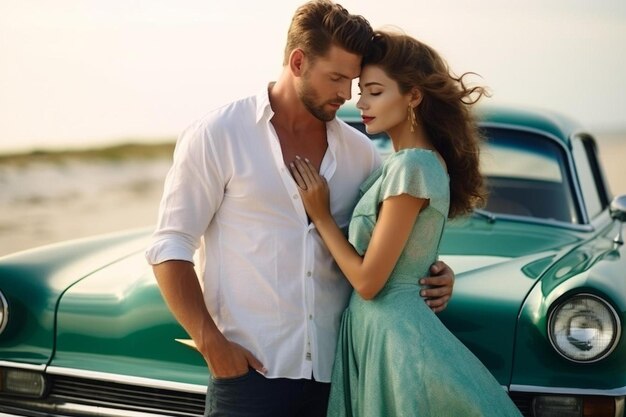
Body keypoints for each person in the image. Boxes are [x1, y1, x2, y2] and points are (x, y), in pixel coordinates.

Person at [145, 2, 455, 416]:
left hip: (338, 380)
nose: (347, 94)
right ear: (297, 61)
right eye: (336, 78)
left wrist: (433, 272)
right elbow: (170, 245)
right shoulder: (218, 135)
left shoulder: (360, 152)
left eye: (354, 81)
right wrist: (211, 344)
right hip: (249, 376)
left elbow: (382, 240)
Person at [290, 31, 522, 416]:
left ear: (413, 96)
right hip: (381, 332)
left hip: (396, 340)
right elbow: (407, 253)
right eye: (361, 89)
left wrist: (321, 215)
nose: (360, 102)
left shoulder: (414, 166)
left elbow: (367, 282)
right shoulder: (403, 164)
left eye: (375, 91)